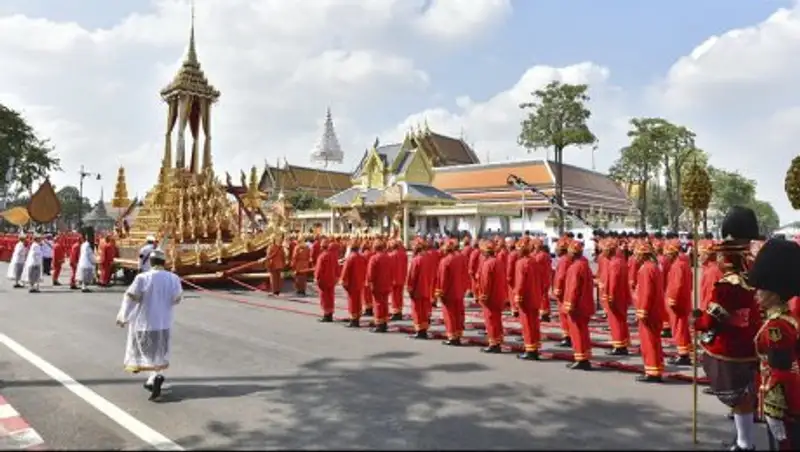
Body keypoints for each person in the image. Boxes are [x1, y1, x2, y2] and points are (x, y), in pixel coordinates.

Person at [693, 206, 762, 451]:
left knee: (739, 397)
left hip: (732, 346)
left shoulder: (727, 285)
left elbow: (714, 319)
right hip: (749, 341)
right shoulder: (750, 277)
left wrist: (697, 322)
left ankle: (745, 443)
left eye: (721, 257)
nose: (718, 260)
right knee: (743, 397)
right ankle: (743, 440)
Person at [747, 238, 800, 451]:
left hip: (782, 401)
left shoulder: (776, 326)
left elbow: (781, 371)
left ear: (774, 293)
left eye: (762, 289)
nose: (757, 293)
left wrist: (773, 408)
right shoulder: (784, 319)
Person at [116, 248, 183, 401]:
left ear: (151, 262)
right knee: (159, 353)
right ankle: (155, 377)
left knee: (147, 353)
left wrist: (123, 316)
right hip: (164, 322)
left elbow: (131, 298)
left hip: (145, 322)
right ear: (164, 262)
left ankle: (154, 378)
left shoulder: (142, 278)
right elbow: (177, 299)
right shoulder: (173, 278)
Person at [634, 241, 666, 383]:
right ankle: (655, 368)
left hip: (649, 310)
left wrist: (643, 310)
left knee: (649, 341)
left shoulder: (646, 269)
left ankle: (653, 371)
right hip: (655, 309)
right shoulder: (654, 267)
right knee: (654, 340)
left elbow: (646, 292)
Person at [562, 240, 594, 370]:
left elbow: (573, 288)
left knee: (577, 333)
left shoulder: (575, 267)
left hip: (577, 306)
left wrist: (569, 305)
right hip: (585, 304)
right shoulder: (585, 265)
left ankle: (581, 359)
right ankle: (584, 356)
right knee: (583, 332)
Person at [664, 239, 692, 366]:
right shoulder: (683, 263)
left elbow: (677, 285)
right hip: (683, 301)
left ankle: (683, 355)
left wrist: (672, 300)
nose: (667, 257)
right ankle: (683, 352)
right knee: (681, 328)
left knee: (679, 329)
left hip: (678, 303)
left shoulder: (677, 265)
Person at [436, 240, 468, 346]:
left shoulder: (445, 261)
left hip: (449, 292)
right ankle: (458, 334)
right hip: (460, 290)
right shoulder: (461, 257)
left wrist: (440, 291)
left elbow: (442, 279)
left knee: (449, 315)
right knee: (458, 313)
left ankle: (452, 336)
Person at [603, 238, 632, 355]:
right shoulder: (621, 261)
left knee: (616, 321)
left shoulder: (614, 263)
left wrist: (610, 296)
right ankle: (623, 342)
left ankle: (619, 345)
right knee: (621, 320)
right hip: (622, 295)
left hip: (616, 296)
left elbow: (613, 282)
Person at [477, 241, 507, 354]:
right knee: (497, 319)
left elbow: (485, 282)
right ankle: (498, 340)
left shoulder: (487, 263)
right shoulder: (498, 261)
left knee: (491, 320)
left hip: (490, 297)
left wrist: (483, 296)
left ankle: (494, 343)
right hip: (499, 295)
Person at [514, 238, 542, 360]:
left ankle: (530, 349)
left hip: (526, 298)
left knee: (527, 325)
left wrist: (518, 296)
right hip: (535, 296)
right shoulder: (533, 261)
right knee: (534, 324)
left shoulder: (521, 263)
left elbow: (520, 283)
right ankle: (534, 347)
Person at [407, 238, 435, 339]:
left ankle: (420, 331)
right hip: (427, 288)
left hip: (418, 289)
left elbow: (412, 276)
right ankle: (424, 329)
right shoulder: (429, 258)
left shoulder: (416, 260)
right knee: (425, 310)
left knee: (418, 311)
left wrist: (410, 288)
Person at [340, 239, 367, 328]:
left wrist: (343, 280)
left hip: (352, 282)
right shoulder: (362, 257)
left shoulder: (350, 258)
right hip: (360, 281)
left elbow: (345, 270)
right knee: (358, 300)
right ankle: (357, 318)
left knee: (352, 301)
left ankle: (353, 319)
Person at [314, 239, 338, 323]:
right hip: (332, 279)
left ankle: (326, 314)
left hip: (323, 279)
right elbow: (337, 267)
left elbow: (319, 269)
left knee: (324, 297)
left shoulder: (322, 256)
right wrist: (336, 277)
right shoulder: (333, 256)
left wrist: (316, 278)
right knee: (330, 296)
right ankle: (330, 313)